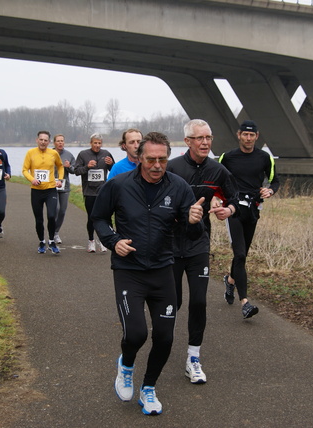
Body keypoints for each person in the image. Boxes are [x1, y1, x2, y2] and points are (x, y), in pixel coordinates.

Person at [92, 131, 205, 416]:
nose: (157, 166)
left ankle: (149, 388)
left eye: (163, 160)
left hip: (163, 269)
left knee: (165, 337)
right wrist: (113, 240)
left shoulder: (179, 187)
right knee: (136, 333)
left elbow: (192, 234)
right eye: (151, 159)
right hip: (129, 270)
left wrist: (193, 222)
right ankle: (126, 365)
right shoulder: (118, 185)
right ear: (139, 158)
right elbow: (99, 217)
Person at [166, 119, 239, 384]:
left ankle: (193, 358)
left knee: (199, 301)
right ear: (187, 141)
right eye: (199, 138)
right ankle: (162, 345)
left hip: (199, 245)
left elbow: (235, 198)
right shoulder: (171, 168)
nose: (205, 142)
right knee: (173, 302)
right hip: (171, 246)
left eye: (209, 137)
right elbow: (155, 204)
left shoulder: (217, 170)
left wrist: (227, 210)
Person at [219, 120, 279, 318]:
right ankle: (244, 302)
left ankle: (230, 282)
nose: (248, 138)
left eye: (251, 135)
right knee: (240, 255)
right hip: (233, 209)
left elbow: (274, 180)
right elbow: (215, 178)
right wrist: (217, 200)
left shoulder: (264, 158)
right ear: (239, 135)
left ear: (257, 136)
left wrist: (269, 190)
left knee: (242, 254)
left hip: (253, 209)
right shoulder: (227, 157)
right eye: (245, 134)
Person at [22, 130, 64, 254]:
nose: (43, 142)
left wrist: (60, 179)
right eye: (41, 140)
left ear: (49, 142)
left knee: (51, 215)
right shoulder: (30, 153)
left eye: (46, 140)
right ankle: (41, 241)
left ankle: (51, 241)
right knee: (39, 219)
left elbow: (60, 166)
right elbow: (25, 170)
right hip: (36, 191)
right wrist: (32, 179)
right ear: (37, 140)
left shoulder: (53, 153)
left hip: (50, 189)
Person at [73, 133, 113, 252]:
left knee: (104, 217)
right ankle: (91, 241)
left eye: (99, 143)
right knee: (91, 217)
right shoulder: (83, 154)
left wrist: (111, 164)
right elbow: (76, 171)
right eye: (95, 143)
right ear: (91, 143)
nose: (97, 145)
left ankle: (102, 240)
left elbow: (114, 169)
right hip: (89, 192)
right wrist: (87, 167)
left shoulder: (106, 154)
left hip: (102, 191)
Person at [52, 134, 75, 244]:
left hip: (64, 186)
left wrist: (69, 167)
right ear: (54, 143)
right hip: (52, 186)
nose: (60, 143)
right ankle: (52, 231)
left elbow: (75, 170)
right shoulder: (49, 154)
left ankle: (56, 232)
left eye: (62, 141)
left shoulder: (69, 155)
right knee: (55, 209)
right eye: (58, 141)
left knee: (62, 211)